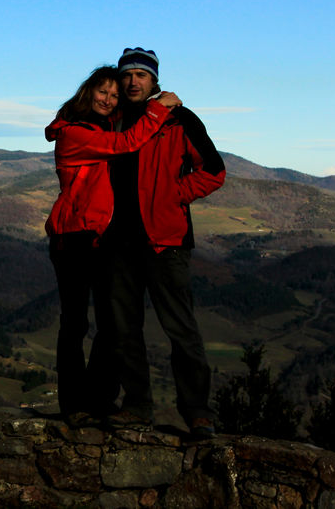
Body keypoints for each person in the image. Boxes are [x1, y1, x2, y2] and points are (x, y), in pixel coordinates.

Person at [44, 65, 181, 425]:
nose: (109, 99)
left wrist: (147, 99)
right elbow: (127, 143)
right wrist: (158, 109)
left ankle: (98, 399)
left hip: (101, 238)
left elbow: (128, 124)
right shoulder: (75, 133)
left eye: (114, 94)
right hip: (72, 236)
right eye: (103, 92)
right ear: (87, 91)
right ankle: (73, 405)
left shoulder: (104, 123)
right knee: (74, 323)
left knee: (111, 323)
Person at [103, 47, 226, 439]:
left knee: (182, 331)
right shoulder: (113, 120)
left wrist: (173, 195)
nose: (133, 81)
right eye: (127, 75)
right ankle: (137, 406)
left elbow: (214, 171)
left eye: (141, 75)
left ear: (155, 80)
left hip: (166, 241)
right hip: (119, 242)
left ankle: (197, 413)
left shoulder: (179, 119)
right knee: (124, 330)